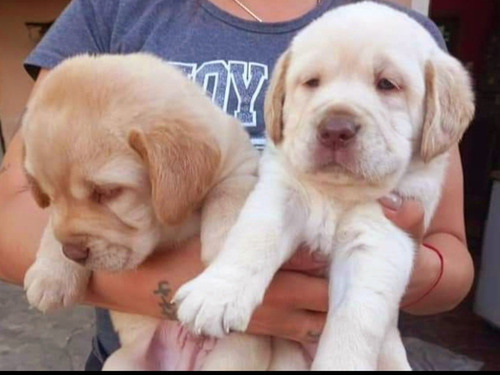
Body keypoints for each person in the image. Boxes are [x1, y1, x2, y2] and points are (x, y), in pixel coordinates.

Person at [0, 0, 474, 370]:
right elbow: (17, 206)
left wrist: (384, 271)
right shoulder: (114, 9)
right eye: (311, 83)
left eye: (388, 85)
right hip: (149, 349)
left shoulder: (403, 32)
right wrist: (207, 287)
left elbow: (451, 257)